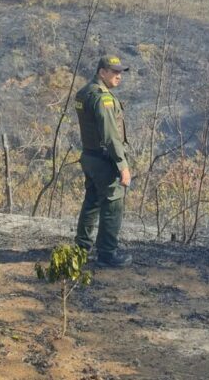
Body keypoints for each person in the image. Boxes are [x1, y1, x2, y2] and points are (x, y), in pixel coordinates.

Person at [73, 55, 133, 268]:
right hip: (103, 159)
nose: (119, 76)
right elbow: (110, 136)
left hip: (89, 156)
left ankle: (81, 248)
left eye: (120, 72)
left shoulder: (84, 93)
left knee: (92, 201)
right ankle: (107, 253)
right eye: (114, 72)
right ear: (101, 72)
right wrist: (123, 165)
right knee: (113, 203)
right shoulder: (102, 98)